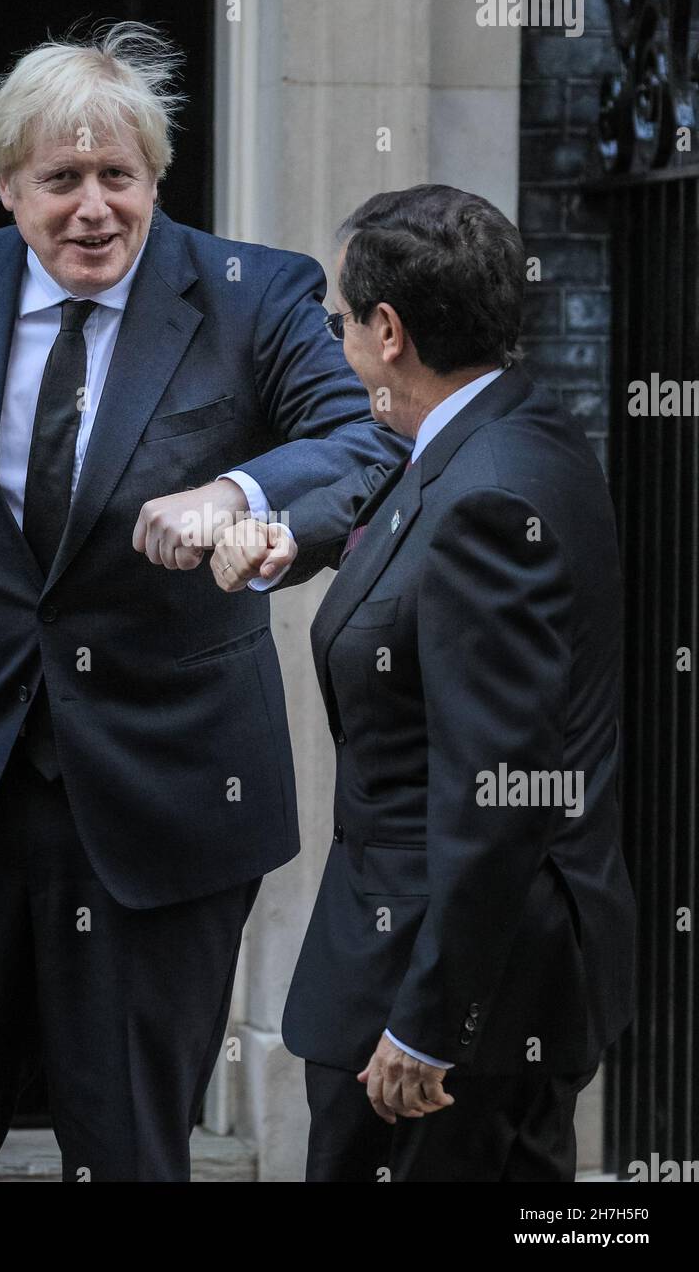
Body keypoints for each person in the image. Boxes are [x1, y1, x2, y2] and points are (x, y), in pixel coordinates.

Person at [0, 22, 406, 1182]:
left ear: (154, 176)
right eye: (60, 180)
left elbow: (358, 442)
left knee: (128, 1150)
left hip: (164, 795)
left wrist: (233, 489)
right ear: (5, 185)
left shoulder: (252, 293)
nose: (92, 209)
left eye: (117, 177)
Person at [211, 183, 637, 1182]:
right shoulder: (513, 429)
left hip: (444, 1007)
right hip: (452, 978)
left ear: (388, 329)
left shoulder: (485, 501)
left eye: (345, 321)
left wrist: (431, 1024)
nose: (342, 339)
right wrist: (287, 535)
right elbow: (393, 484)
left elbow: (498, 798)